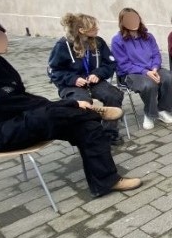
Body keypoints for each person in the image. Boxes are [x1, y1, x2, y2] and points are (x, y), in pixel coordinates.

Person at [0, 18, 141, 198]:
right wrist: (68, 104)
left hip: (22, 119)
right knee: (55, 111)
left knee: (87, 125)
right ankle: (88, 110)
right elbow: (9, 104)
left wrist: (57, 107)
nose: (5, 40)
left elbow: (21, 96)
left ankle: (106, 181)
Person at [48, 13, 125, 145]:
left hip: (94, 82)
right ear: (82, 30)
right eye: (94, 27)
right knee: (82, 102)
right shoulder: (63, 45)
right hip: (71, 85)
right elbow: (53, 70)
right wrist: (73, 79)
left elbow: (110, 63)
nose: (97, 29)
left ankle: (109, 133)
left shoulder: (98, 42)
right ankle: (89, 134)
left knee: (113, 95)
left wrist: (98, 74)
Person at [111, 8, 172, 130]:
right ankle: (149, 113)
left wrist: (155, 68)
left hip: (152, 68)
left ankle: (161, 109)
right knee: (148, 85)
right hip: (131, 73)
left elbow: (156, 54)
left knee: (168, 77)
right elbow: (124, 64)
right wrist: (145, 72)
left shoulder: (148, 36)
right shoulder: (117, 40)